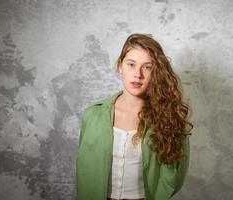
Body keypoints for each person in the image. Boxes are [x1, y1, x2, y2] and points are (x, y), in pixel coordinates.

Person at [76, 33, 194, 200]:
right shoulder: (93, 116)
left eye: (147, 67)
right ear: (120, 66)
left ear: (156, 72)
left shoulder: (169, 119)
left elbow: (176, 176)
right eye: (131, 64)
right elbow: (84, 171)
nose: (138, 74)